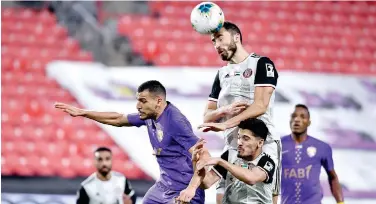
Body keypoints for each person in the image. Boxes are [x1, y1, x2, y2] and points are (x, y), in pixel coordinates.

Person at [55, 80, 208, 204]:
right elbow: (118, 119)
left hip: (184, 190)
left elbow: (204, 155)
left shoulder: (175, 122)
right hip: (163, 186)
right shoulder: (149, 116)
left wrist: (191, 188)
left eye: (143, 101)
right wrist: (84, 113)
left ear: (158, 101)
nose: (138, 106)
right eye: (138, 100)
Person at [196, 21, 281, 204]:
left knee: (266, 197)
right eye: (213, 42)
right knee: (223, 197)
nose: (217, 45)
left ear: (236, 37)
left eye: (220, 38)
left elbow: (260, 105)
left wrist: (227, 123)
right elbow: (207, 116)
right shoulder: (221, 74)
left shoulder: (261, 64)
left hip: (263, 144)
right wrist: (225, 110)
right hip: (233, 146)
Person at [177, 118, 276, 204]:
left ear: (260, 143)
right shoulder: (230, 156)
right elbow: (206, 183)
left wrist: (220, 161)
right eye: (238, 137)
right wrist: (196, 162)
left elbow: (251, 178)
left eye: (246, 139)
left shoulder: (267, 161)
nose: (239, 142)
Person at [281, 104, 344, 204]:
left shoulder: (322, 147)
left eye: (302, 116)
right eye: (294, 116)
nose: (297, 119)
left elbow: (333, 177)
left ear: (309, 122)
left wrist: (340, 202)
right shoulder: (278, 145)